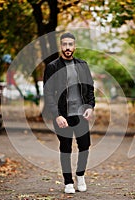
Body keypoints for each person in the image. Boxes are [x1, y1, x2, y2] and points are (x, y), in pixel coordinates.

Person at [43, 32, 95, 194]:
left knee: (85, 146)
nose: (67, 47)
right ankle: (68, 182)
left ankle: (80, 176)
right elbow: (48, 93)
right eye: (64, 44)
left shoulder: (82, 65)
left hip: (80, 114)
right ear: (61, 46)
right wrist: (56, 115)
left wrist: (90, 107)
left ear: (74, 46)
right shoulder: (52, 67)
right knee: (65, 148)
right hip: (62, 115)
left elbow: (90, 89)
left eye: (70, 44)